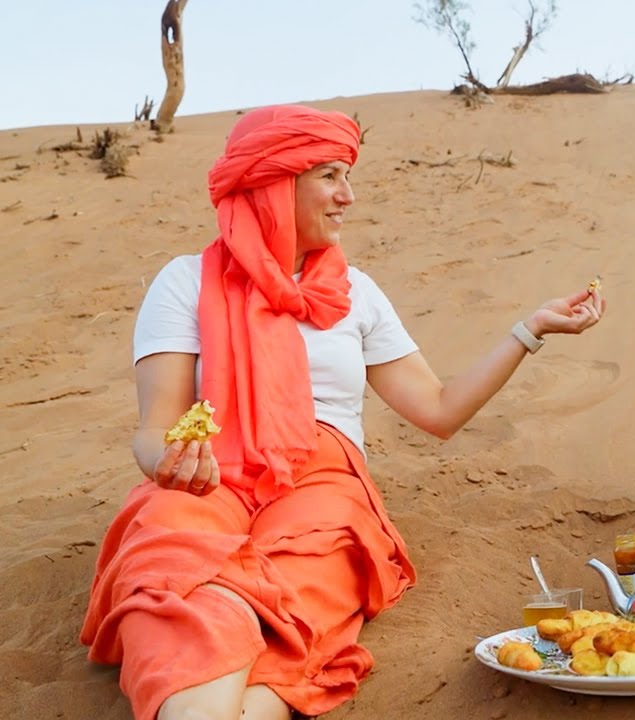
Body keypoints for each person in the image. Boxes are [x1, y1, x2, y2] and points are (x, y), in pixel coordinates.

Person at [80, 105, 605, 720]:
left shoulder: (355, 292)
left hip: (322, 476)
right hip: (209, 473)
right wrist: (168, 463)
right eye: (329, 176)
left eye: (347, 176)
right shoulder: (186, 282)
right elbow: (154, 432)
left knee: (301, 577)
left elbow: (438, 410)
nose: (347, 196)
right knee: (165, 562)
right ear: (275, 183)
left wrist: (528, 331)